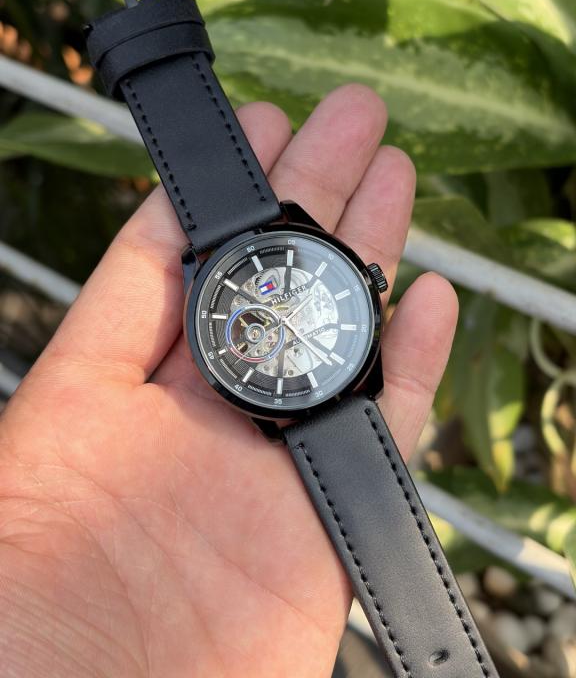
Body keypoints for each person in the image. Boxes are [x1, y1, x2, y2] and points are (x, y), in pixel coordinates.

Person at [0, 85, 458, 677]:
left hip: (331, 380)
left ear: (364, 280)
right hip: (303, 389)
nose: (280, 324)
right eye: (261, 329)